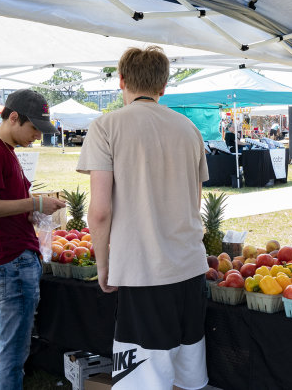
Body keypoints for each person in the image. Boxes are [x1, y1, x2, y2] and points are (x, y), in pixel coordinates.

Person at [77, 46, 210, 389]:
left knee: (144, 380)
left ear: (121, 80)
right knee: (185, 374)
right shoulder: (189, 129)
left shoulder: (106, 126)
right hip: (189, 268)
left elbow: (101, 210)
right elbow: (193, 204)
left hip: (142, 271)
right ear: (163, 86)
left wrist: (104, 266)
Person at [0, 89, 65, 389]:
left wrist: (34, 211)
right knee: (12, 346)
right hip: (11, 261)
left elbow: (3, 204)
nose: (38, 135)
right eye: (34, 127)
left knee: (17, 343)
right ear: (14, 118)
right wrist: (34, 205)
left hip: (16, 258)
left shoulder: (5, 151)